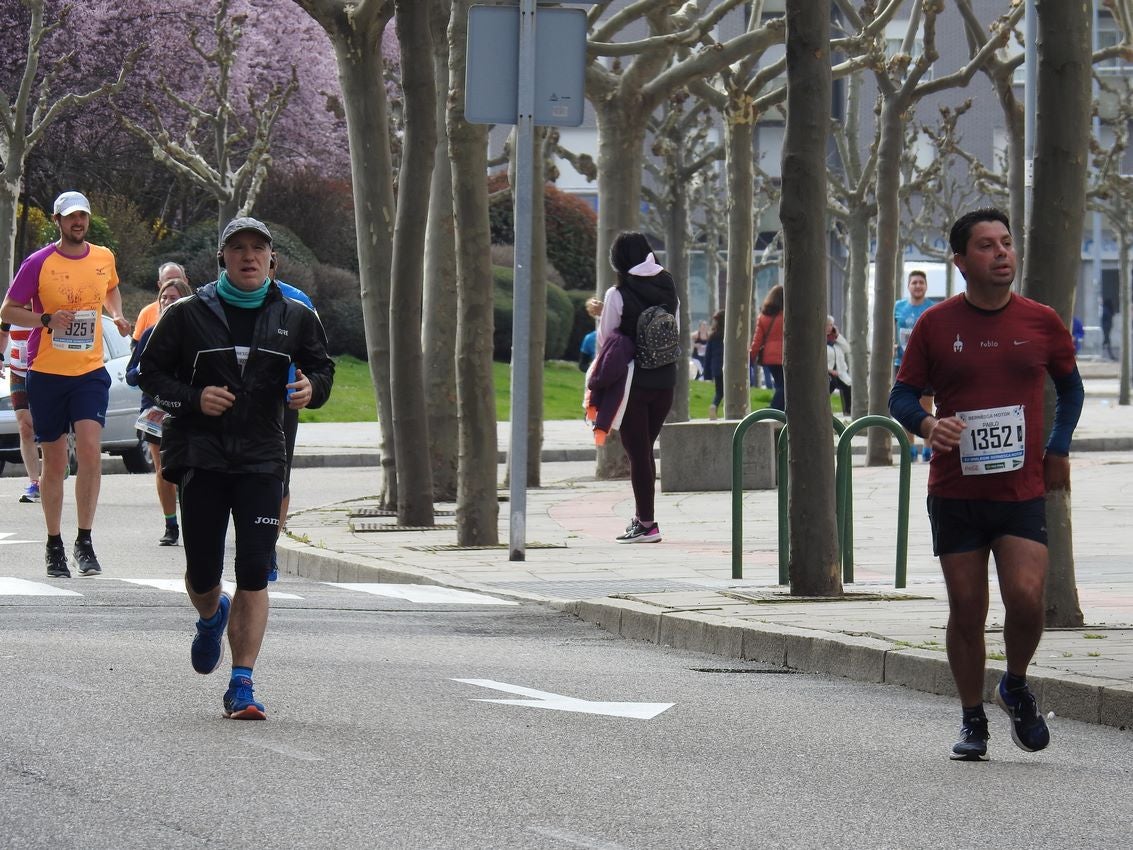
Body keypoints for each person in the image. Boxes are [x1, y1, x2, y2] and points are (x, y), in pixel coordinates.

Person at [889, 208, 1083, 762]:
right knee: (967, 606)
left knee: (1026, 599)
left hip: (1020, 490)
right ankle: (973, 718)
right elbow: (900, 397)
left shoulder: (1041, 321)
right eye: (986, 246)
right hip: (956, 490)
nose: (1002, 253)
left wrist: (1059, 446)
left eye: (1006, 243)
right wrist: (927, 423)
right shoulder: (936, 324)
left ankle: (1014, 683)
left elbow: (1070, 391)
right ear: (960, 261)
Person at [138, 217, 333, 720]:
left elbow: (322, 368)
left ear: (273, 260)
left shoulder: (295, 314)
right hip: (201, 457)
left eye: (258, 249)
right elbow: (148, 374)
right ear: (222, 257)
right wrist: (193, 397)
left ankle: (242, 683)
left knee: (253, 570)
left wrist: (313, 390)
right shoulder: (185, 315)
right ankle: (210, 616)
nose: (248, 256)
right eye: (238, 248)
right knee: (203, 572)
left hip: (263, 458)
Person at [0, 191, 132, 578]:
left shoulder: (103, 256)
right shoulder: (38, 263)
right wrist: (45, 319)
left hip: (90, 371)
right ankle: (54, 543)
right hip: (46, 373)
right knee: (55, 461)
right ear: (57, 220)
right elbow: (8, 310)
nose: (79, 223)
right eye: (71, 217)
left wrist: (118, 314)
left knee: (91, 450)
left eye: (83, 216)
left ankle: (85, 541)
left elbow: (110, 287)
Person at [597, 232, 678, 543]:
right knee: (643, 451)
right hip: (665, 379)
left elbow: (606, 339)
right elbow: (676, 327)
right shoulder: (668, 284)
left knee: (638, 452)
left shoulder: (617, 293)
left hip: (632, 383)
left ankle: (646, 524)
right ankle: (640, 517)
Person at [125, 278, 193, 545]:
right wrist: (146, 373)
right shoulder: (150, 333)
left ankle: (194, 523)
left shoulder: (195, 333)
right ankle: (170, 525)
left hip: (187, 410)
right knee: (164, 470)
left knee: (189, 469)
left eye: (173, 298)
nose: (167, 302)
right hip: (154, 410)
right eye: (164, 298)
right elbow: (131, 375)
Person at [270, 265, 318, 583]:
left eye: (264, 256)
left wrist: (309, 384)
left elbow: (317, 358)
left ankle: (268, 547)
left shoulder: (298, 301)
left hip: (285, 400)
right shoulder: (216, 300)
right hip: (238, 399)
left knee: (279, 475)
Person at [894, 270, 936, 462]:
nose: (918, 286)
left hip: (926, 365)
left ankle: (927, 448)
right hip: (901, 363)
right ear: (908, 286)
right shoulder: (899, 307)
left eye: (921, 282)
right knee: (905, 406)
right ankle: (909, 447)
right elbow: (892, 331)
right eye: (914, 283)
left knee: (926, 407)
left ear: (926, 286)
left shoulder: (932, 308)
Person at [1, 317, 43, 502]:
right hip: (18, 372)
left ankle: (58, 463)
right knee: (25, 428)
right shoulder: (10, 309)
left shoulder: (45, 304)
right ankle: (35, 483)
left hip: (47, 374)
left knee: (51, 427)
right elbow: (2, 333)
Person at [133, 262, 189, 344]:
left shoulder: (197, 310)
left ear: (186, 281)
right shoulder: (147, 312)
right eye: (168, 280)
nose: (173, 283)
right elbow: (136, 344)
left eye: (178, 279)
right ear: (160, 284)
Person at [749, 284, 784, 411]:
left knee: (780, 384)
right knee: (783, 385)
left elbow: (757, 340)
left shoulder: (763, 317)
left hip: (769, 357)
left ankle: (777, 410)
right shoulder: (788, 317)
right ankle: (773, 410)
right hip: (784, 356)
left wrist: (751, 356)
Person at [825, 316, 852, 415]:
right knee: (831, 384)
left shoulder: (836, 340)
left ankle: (848, 411)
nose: (831, 327)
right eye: (829, 325)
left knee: (848, 386)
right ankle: (824, 408)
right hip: (828, 372)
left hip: (840, 372)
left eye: (832, 325)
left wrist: (838, 335)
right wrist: (830, 370)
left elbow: (847, 349)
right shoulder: (821, 341)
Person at [704, 309, 724, 420]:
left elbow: (707, 356)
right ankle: (719, 409)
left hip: (716, 367)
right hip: (728, 368)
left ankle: (714, 406)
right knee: (727, 391)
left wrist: (707, 374)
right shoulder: (729, 335)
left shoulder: (713, 336)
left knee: (719, 392)